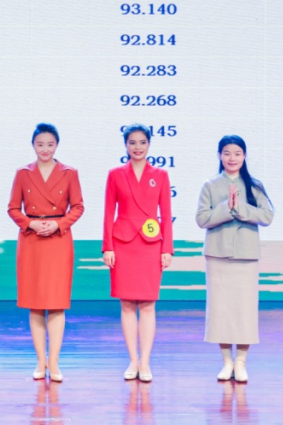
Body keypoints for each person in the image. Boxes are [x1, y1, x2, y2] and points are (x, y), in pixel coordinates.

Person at [7, 123, 85, 382]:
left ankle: (54, 362)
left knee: (57, 303)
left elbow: (78, 206)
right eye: (40, 144)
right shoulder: (23, 173)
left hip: (58, 240)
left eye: (50, 144)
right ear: (33, 145)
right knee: (36, 303)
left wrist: (58, 224)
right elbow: (13, 208)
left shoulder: (69, 173)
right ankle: (41, 361)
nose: (45, 149)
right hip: (32, 240)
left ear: (57, 145)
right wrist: (30, 224)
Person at [196, 135, 274, 383]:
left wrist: (240, 208)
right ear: (220, 155)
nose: (232, 158)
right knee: (221, 310)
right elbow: (201, 219)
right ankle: (226, 362)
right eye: (227, 153)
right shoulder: (210, 185)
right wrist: (225, 208)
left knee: (244, 310)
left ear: (244, 156)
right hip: (217, 255)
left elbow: (267, 216)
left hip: (246, 256)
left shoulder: (254, 186)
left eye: (237, 153)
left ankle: (240, 361)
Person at [102, 123, 173, 382]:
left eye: (142, 142)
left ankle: (145, 362)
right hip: (122, 244)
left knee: (148, 304)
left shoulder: (161, 175)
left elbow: (166, 214)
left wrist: (167, 249)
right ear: (125, 145)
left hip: (150, 245)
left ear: (149, 144)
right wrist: (108, 246)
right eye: (132, 142)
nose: (137, 147)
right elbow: (108, 212)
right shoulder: (115, 174)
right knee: (126, 304)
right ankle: (133, 360)